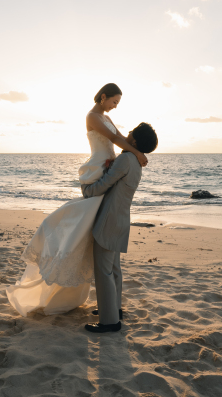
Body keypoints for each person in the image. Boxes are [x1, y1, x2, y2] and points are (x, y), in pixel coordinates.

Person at [6, 83, 149, 316]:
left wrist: (129, 152)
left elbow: (121, 137)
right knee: (87, 213)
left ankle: (110, 307)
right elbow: (114, 138)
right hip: (98, 166)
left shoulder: (106, 118)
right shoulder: (92, 116)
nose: (115, 107)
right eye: (114, 102)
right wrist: (137, 153)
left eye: (117, 103)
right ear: (103, 97)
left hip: (108, 164)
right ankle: (109, 306)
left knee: (99, 233)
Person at [81, 122, 158, 333]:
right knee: (114, 269)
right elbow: (116, 183)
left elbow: (103, 186)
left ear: (134, 140)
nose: (128, 132)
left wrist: (85, 188)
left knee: (103, 271)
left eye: (132, 131)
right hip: (122, 219)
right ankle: (114, 309)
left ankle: (110, 322)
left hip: (109, 220)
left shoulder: (126, 159)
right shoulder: (135, 161)